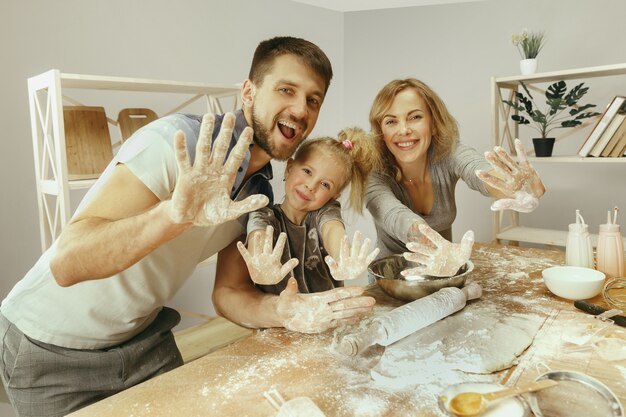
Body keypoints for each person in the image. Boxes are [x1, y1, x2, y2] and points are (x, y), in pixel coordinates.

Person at [0, 36, 353, 417]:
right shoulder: (173, 142)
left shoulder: (257, 192)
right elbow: (67, 263)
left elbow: (229, 292)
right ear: (249, 92)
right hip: (50, 347)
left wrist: (282, 312)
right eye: (287, 90)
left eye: (313, 100)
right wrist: (173, 216)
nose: (300, 109)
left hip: (142, 339)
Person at [365, 78, 545, 277]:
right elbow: (395, 216)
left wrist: (516, 188)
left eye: (415, 117)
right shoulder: (373, 174)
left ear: (433, 124)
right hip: (388, 284)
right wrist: (432, 242)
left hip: (440, 277)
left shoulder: (447, 154)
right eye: (391, 121)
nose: (404, 130)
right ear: (381, 132)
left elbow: (476, 168)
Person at [213, 129, 380, 334]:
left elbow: (332, 231)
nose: (311, 186)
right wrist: (259, 260)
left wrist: (342, 256)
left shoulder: (324, 213)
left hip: (327, 322)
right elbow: (258, 235)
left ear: (334, 195)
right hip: (279, 330)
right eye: (307, 171)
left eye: (325, 184)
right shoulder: (263, 214)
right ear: (289, 168)